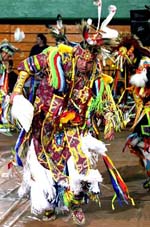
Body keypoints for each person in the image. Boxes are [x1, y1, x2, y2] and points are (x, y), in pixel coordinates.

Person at [10, 15, 134, 227]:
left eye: (90, 60)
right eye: (84, 59)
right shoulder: (58, 57)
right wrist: (17, 91)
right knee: (45, 166)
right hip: (45, 124)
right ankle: (48, 203)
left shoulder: (93, 70)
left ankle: (75, 203)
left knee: (81, 167)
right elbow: (27, 66)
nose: (86, 64)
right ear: (79, 52)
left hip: (73, 126)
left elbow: (102, 95)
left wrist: (109, 118)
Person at [112, 34, 150, 190]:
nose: (127, 58)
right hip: (143, 111)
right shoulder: (135, 66)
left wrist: (142, 80)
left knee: (141, 142)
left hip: (148, 111)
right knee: (138, 142)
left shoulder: (145, 63)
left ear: (133, 50)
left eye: (128, 54)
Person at [0, 39, 18, 131]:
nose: (9, 58)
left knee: (5, 100)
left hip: (3, 88)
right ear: (4, 53)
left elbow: (4, 78)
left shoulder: (3, 63)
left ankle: (4, 121)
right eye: (9, 55)